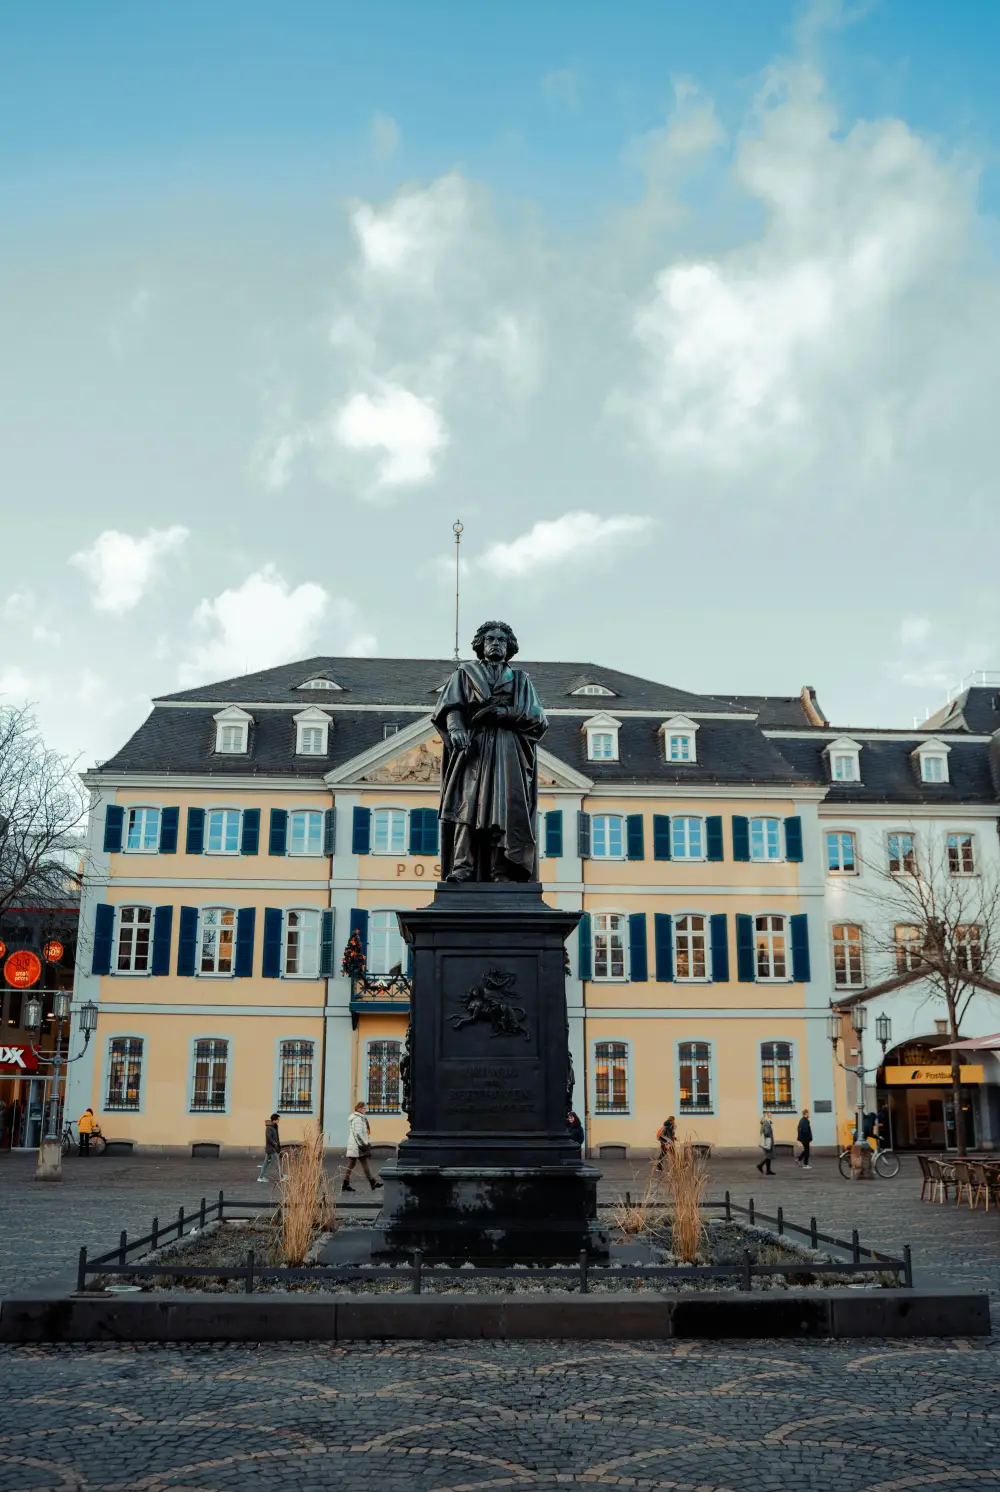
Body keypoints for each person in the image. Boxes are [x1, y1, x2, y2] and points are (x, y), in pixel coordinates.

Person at [431, 620, 548, 883]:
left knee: (504, 811)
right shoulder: (465, 673)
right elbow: (451, 707)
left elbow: (538, 718)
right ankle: (462, 867)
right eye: (490, 639)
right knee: (467, 806)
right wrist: (456, 728)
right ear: (481, 645)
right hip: (474, 748)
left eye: (501, 639)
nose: (496, 643)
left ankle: (502, 870)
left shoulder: (520, 680)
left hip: (508, 752)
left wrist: (504, 712)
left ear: (509, 647)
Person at [343, 1101, 383, 1192]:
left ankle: (346, 1184)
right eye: (364, 1108)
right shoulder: (358, 1119)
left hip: (356, 1145)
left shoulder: (359, 1118)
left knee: (352, 1164)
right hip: (358, 1146)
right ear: (360, 1109)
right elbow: (358, 1134)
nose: (366, 1110)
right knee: (362, 1164)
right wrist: (365, 1143)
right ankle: (372, 1182)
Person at [257, 1112, 282, 1183]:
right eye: (278, 1119)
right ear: (274, 1120)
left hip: (272, 1148)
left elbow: (276, 1137)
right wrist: (274, 1144)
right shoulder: (269, 1128)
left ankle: (261, 1177)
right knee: (277, 1162)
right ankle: (281, 1176)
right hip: (271, 1148)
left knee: (266, 1163)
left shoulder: (274, 1126)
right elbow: (269, 1137)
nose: (278, 1121)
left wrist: (278, 1145)